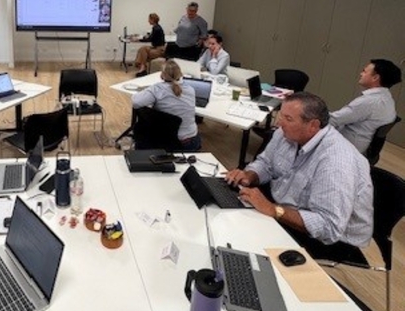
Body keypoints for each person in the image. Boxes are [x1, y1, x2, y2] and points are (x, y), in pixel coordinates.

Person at [225, 93, 373, 258]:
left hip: (329, 239)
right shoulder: (286, 134)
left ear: (313, 125)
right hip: (287, 204)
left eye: (288, 119)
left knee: (246, 241)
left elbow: (329, 226)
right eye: (281, 115)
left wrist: (273, 209)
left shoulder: (336, 161)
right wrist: (249, 175)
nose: (279, 123)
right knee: (230, 211)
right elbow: (266, 163)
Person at [329, 59, 401, 155]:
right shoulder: (387, 99)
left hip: (348, 147)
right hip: (363, 146)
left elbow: (333, 120)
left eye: (364, 71)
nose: (361, 74)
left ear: (375, 77)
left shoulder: (369, 102)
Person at [131, 59, 201, 151]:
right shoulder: (191, 89)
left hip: (168, 142)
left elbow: (136, 102)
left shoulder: (157, 89)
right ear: (180, 74)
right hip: (191, 142)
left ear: (162, 75)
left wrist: (148, 90)